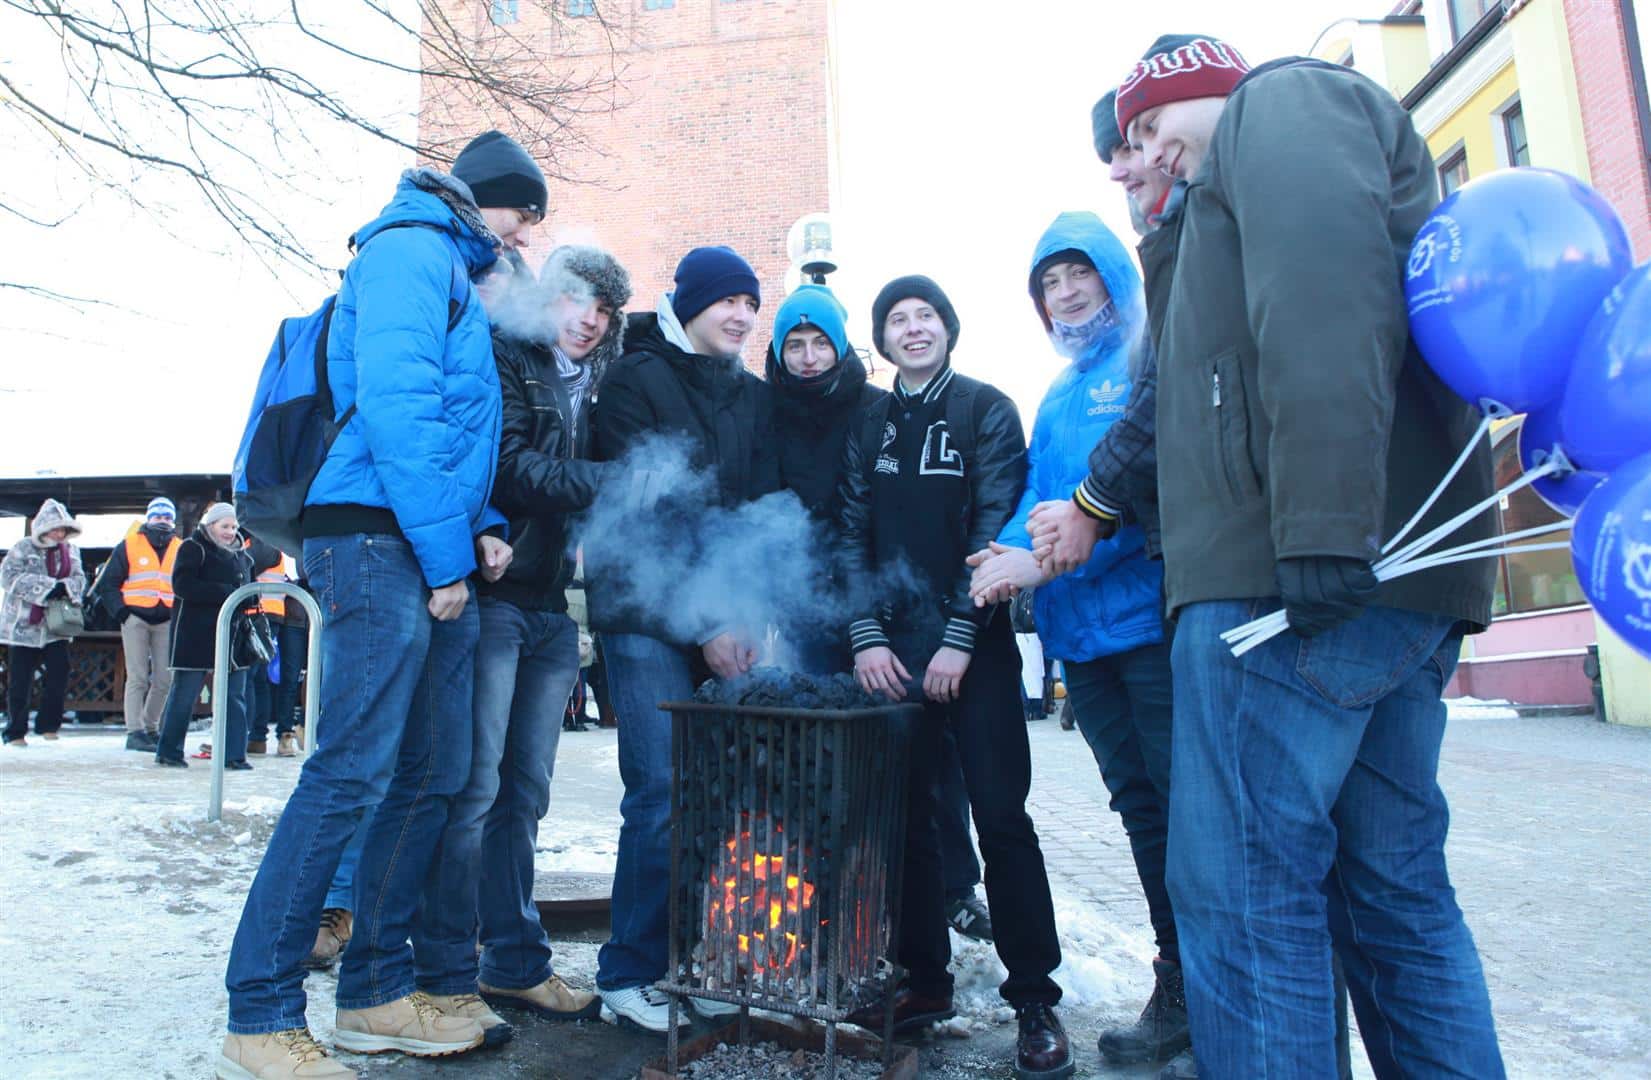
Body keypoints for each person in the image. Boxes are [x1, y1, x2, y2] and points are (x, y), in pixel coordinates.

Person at [1111, 37, 1503, 1077]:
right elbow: (1210, 368)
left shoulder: (1278, 104)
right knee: (1392, 896)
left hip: (1283, 591)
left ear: (1204, 90)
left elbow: (1324, 296)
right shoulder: (1214, 193)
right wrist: (1162, 227)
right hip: (1358, 581)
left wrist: (1324, 524)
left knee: (1245, 901)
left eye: (1147, 128)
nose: (1133, 156)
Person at [218, 129, 541, 1080]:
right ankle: (261, 1010)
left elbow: (446, 424)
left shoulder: (449, 264)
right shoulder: (409, 248)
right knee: (351, 771)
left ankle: (374, 997)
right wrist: (447, 555)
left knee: (430, 774)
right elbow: (398, 411)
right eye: (528, 208)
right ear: (487, 200)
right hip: (370, 539)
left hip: (418, 536)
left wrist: (476, 521)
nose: (532, 231)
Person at [839, 275, 1073, 1080]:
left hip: (975, 646)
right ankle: (923, 983)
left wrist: (958, 639)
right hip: (890, 657)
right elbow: (848, 533)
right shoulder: (866, 421)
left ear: (947, 328)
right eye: (896, 318)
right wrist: (867, 638)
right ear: (882, 336)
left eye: (925, 316)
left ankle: (1035, 999)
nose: (912, 328)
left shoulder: (982, 408)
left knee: (1000, 821)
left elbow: (997, 522)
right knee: (906, 828)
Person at [968, 211, 1185, 1072]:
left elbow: (1143, 488)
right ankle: (1180, 984)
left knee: (1182, 813)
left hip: (1147, 625)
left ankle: (1215, 989)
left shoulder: (1145, 362)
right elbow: (1039, 494)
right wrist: (1002, 552)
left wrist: (1045, 554)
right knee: (1139, 812)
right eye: (1047, 284)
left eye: (1076, 274)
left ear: (1111, 277)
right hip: (1081, 640)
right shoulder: (1056, 394)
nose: (1063, 293)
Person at [413, 244, 632, 1042]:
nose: (587, 320)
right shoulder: (510, 357)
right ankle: (442, 965)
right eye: (577, 300)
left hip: (550, 608)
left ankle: (512, 958)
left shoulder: (598, 383)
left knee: (524, 794)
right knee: (471, 789)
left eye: (603, 312)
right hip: (496, 600)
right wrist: (617, 480)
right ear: (549, 297)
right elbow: (508, 470)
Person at [588, 244, 777, 1033]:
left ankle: (689, 962)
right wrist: (708, 624)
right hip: (642, 614)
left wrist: (746, 615)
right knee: (661, 793)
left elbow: (758, 513)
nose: (738, 316)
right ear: (689, 304)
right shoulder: (635, 377)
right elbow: (647, 514)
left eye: (748, 304)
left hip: (721, 622)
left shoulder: (750, 395)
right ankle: (627, 973)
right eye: (724, 302)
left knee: (711, 797)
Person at [152, 503, 257, 770]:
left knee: (235, 695)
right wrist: (226, 592)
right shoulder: (193, 548)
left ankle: (234, 755)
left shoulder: (244, 558)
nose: (230, 532)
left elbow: (250, 593)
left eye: (234, 527)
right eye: (225, 526)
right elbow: (182, 586)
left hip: (233, 635)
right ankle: (169, 751)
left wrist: (247, 599)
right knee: (184, 694)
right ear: (210, 526)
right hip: (195, 632)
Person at [89, 496, 181, 752]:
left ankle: (150, 727)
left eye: (167, 517)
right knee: (137, 677)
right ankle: (135, 731)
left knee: (164, 679)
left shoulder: (181, 547)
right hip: (136, 618)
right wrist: (122, 613)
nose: (162, 521)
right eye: (158, 516)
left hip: (166, 619)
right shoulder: (129, 545)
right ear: (149, 518)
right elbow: (108, 584)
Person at [1, 499, 85, 747]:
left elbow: (80, 579)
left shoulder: (71, 551)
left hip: (56, 626)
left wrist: (66, 588)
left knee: (59, 674)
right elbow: (8, 576)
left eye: (63, 529)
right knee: (20, 680)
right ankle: (15, 731)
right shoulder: (23, 547)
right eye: (55, 528)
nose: (59, 533)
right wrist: (46, 588)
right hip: (23, 625)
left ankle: (49, 725)